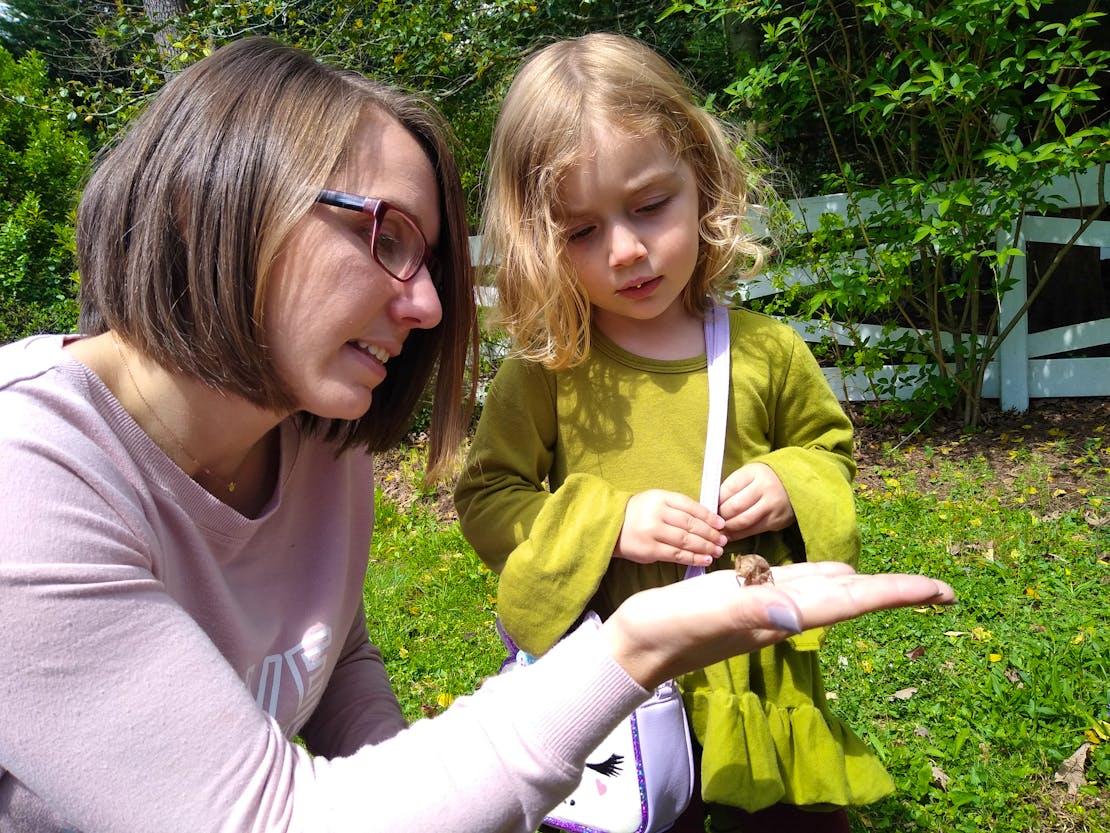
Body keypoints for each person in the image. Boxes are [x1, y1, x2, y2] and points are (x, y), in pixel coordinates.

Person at [0, 36, 956, 833]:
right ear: (205, 199)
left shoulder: (318, 449)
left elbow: (337, 664)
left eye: (430, 257)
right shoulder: (26, 474)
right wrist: (631, 635)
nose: (424, 304)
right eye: (385, 235)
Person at [454, 33, 892, 833]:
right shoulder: (550, 369)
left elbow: (831, 453)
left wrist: (791, 481)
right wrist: (608, 522)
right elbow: (488, 497)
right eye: (579, 231)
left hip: (751, 668)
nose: (625, 250)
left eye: (650, 205)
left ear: (704, 178)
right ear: (537, 237)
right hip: (617, 679)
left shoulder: (766, 349)